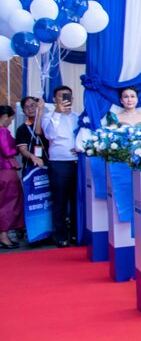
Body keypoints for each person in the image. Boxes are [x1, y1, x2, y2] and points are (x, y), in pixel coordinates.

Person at [39, 86, 82, 248]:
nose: (65, 99)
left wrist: (80, 147)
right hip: (59, 163)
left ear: (73, 99)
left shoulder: (78, 117)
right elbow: (49, 134)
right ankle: (60, 235)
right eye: (61, 96)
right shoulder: (48, 116)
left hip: (78, 162)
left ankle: (76, 233)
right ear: (54, 99)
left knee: (77, 200)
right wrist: (57, 113)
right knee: (60, 200)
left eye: (68, 96)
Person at [0, 105, 24, 248]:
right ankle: (4, 235)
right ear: (5, 117)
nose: (10, 122)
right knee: (8, 203)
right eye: (10, 119)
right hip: (6, 170)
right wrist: (18, 148)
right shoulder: (2, 131)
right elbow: (7, 151)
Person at [15, 96, 46, 173]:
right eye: (26, 107)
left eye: (32, 105)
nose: (30, 109)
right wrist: (33, 157)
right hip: (31, 166)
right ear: (23, 111)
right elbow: (23, 150)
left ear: (38, 106)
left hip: (49, 163)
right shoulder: (22, 129)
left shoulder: (47, 124)